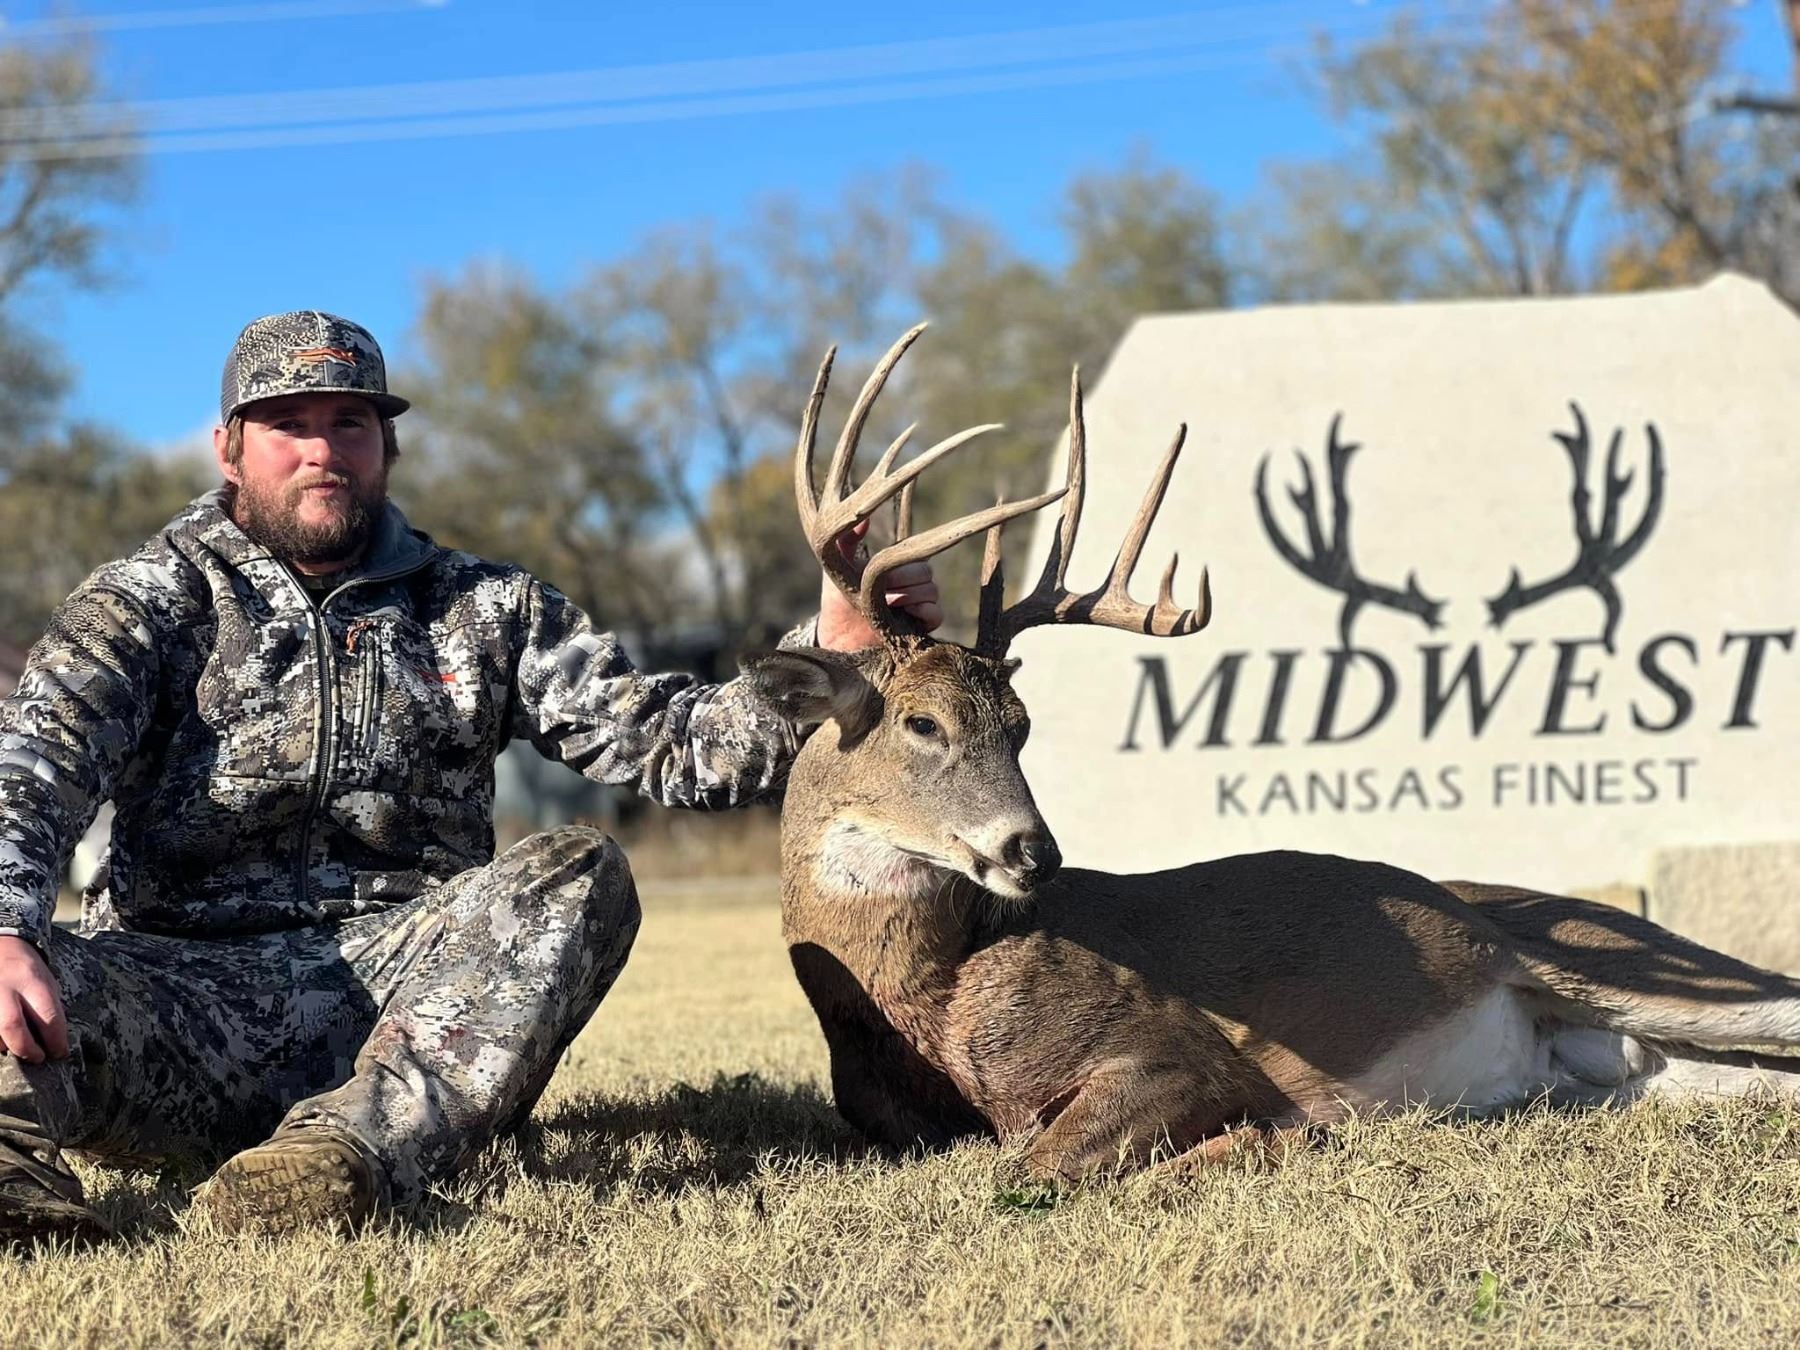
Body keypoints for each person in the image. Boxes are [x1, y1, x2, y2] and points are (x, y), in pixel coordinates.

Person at [0, 311, 939, 1243]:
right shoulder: (145, 601)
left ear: (388, 447)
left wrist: (836, 648)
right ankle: (15, 1179)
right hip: (172, 1003)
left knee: (581, 871)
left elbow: (676, 743)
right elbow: (34, 768)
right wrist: (7, 926)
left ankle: (340, 1163)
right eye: (289, 425)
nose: (322, 451)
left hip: (407, 1020)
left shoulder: (486, 608)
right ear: (229, 449)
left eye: (350, 423)